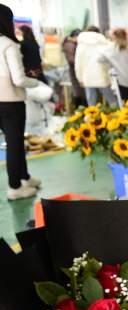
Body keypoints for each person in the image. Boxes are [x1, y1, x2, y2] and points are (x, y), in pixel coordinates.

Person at [0, 4, 41, 200]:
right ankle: (15, 187)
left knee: (14, 142)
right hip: (11, 102)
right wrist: (36, 84)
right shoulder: (8, 44)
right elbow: (18, 79)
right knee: (15, 144)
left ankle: (24, 177)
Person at [99, 28, 128, 101]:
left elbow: (99, 59)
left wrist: (111, 63)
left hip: (124, 81)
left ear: (113, 37)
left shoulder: (111, 49)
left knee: (127, 108)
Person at [75, 26, 115, 106]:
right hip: (102, 75)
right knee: (111, 99)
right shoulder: (104, 43)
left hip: (87, 76)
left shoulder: (81, 45)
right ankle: (117, 116)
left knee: (91, 102)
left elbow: (78, 63)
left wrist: (80, 78)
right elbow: (110, 61)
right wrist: (111, 78)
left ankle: (92, 117)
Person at [62, 29, 85, 106]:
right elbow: (71, 60)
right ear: (75, 36)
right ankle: (79, 111)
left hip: (76, 70)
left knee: (79, 91)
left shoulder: (72, 44)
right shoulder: (70, 45)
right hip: (74, 70)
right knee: (78, 92)